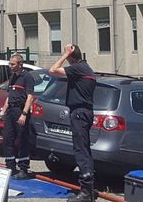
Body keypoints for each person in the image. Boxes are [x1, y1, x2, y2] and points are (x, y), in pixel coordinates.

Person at [49, 44, 96, 202]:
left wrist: (64, 55)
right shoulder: (85, 68)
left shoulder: (79, 68)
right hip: (84, 112)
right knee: (84, 150)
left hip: (80, 113)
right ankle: (88, 188)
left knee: (80, 151)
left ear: (71, 56)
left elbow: (53, 70)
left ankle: (86, 191)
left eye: (67, 53)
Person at [0, 54, 35, 180]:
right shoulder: (12, 77)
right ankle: (10, 165)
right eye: (10, 64)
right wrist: (3, 111)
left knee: (22, 140)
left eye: (13, 64)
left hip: (20, 110)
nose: (10, 66)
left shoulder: (27, 77)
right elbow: (9, 96)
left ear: (20, 64)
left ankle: (23, 168)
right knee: (7, 138)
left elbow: (30, 97)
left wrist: (24, 114)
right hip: (11, 111)